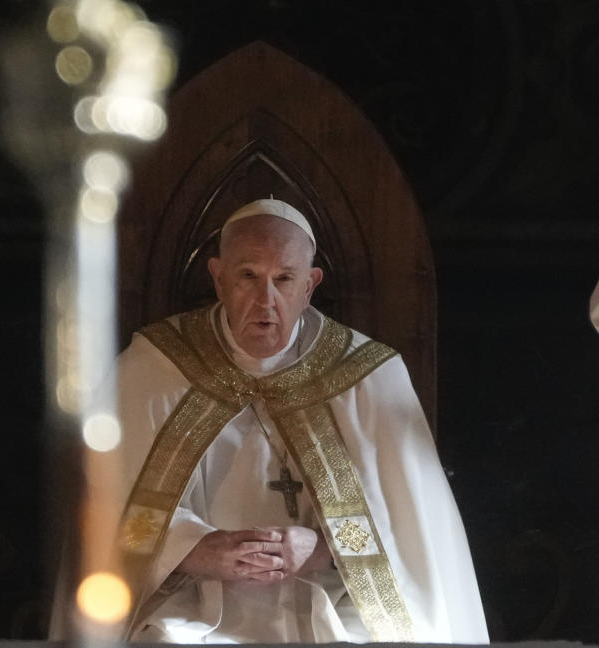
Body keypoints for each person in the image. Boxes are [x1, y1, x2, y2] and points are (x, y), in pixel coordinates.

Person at [110, 199, 488, 643]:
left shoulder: (369, 376)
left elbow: (412, 536)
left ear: (309, 286)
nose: (265, 300)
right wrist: (191, 549)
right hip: (195, 598)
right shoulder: (154, 367)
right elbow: (109, 508)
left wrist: (321, 549)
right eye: (247, 276)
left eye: (284, 278)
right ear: (217, 277)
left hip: (332, 599)